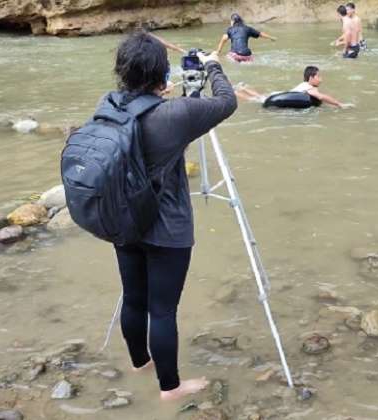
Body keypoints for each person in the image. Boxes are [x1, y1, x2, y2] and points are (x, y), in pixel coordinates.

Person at [110, 31, 236, 401]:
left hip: (122, 219)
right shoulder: (177, 114)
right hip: (165, 229)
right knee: (162, 310)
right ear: (163, 74)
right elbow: (226, 102)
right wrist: (212, 66)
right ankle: (170, 388)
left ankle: (139, 363)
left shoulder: (111, 104)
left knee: (133, 299)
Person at [234, 66, 345, 108]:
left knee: (259, 97)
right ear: (311, 78)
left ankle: (242, 88)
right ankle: (234, 92)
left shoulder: (304, 85)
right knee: (252, 99)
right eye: (318, 76)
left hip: (278, 94)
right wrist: (339, 104)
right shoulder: (310, 87)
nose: (321, 79)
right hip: (278, 98)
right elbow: (320, 97)